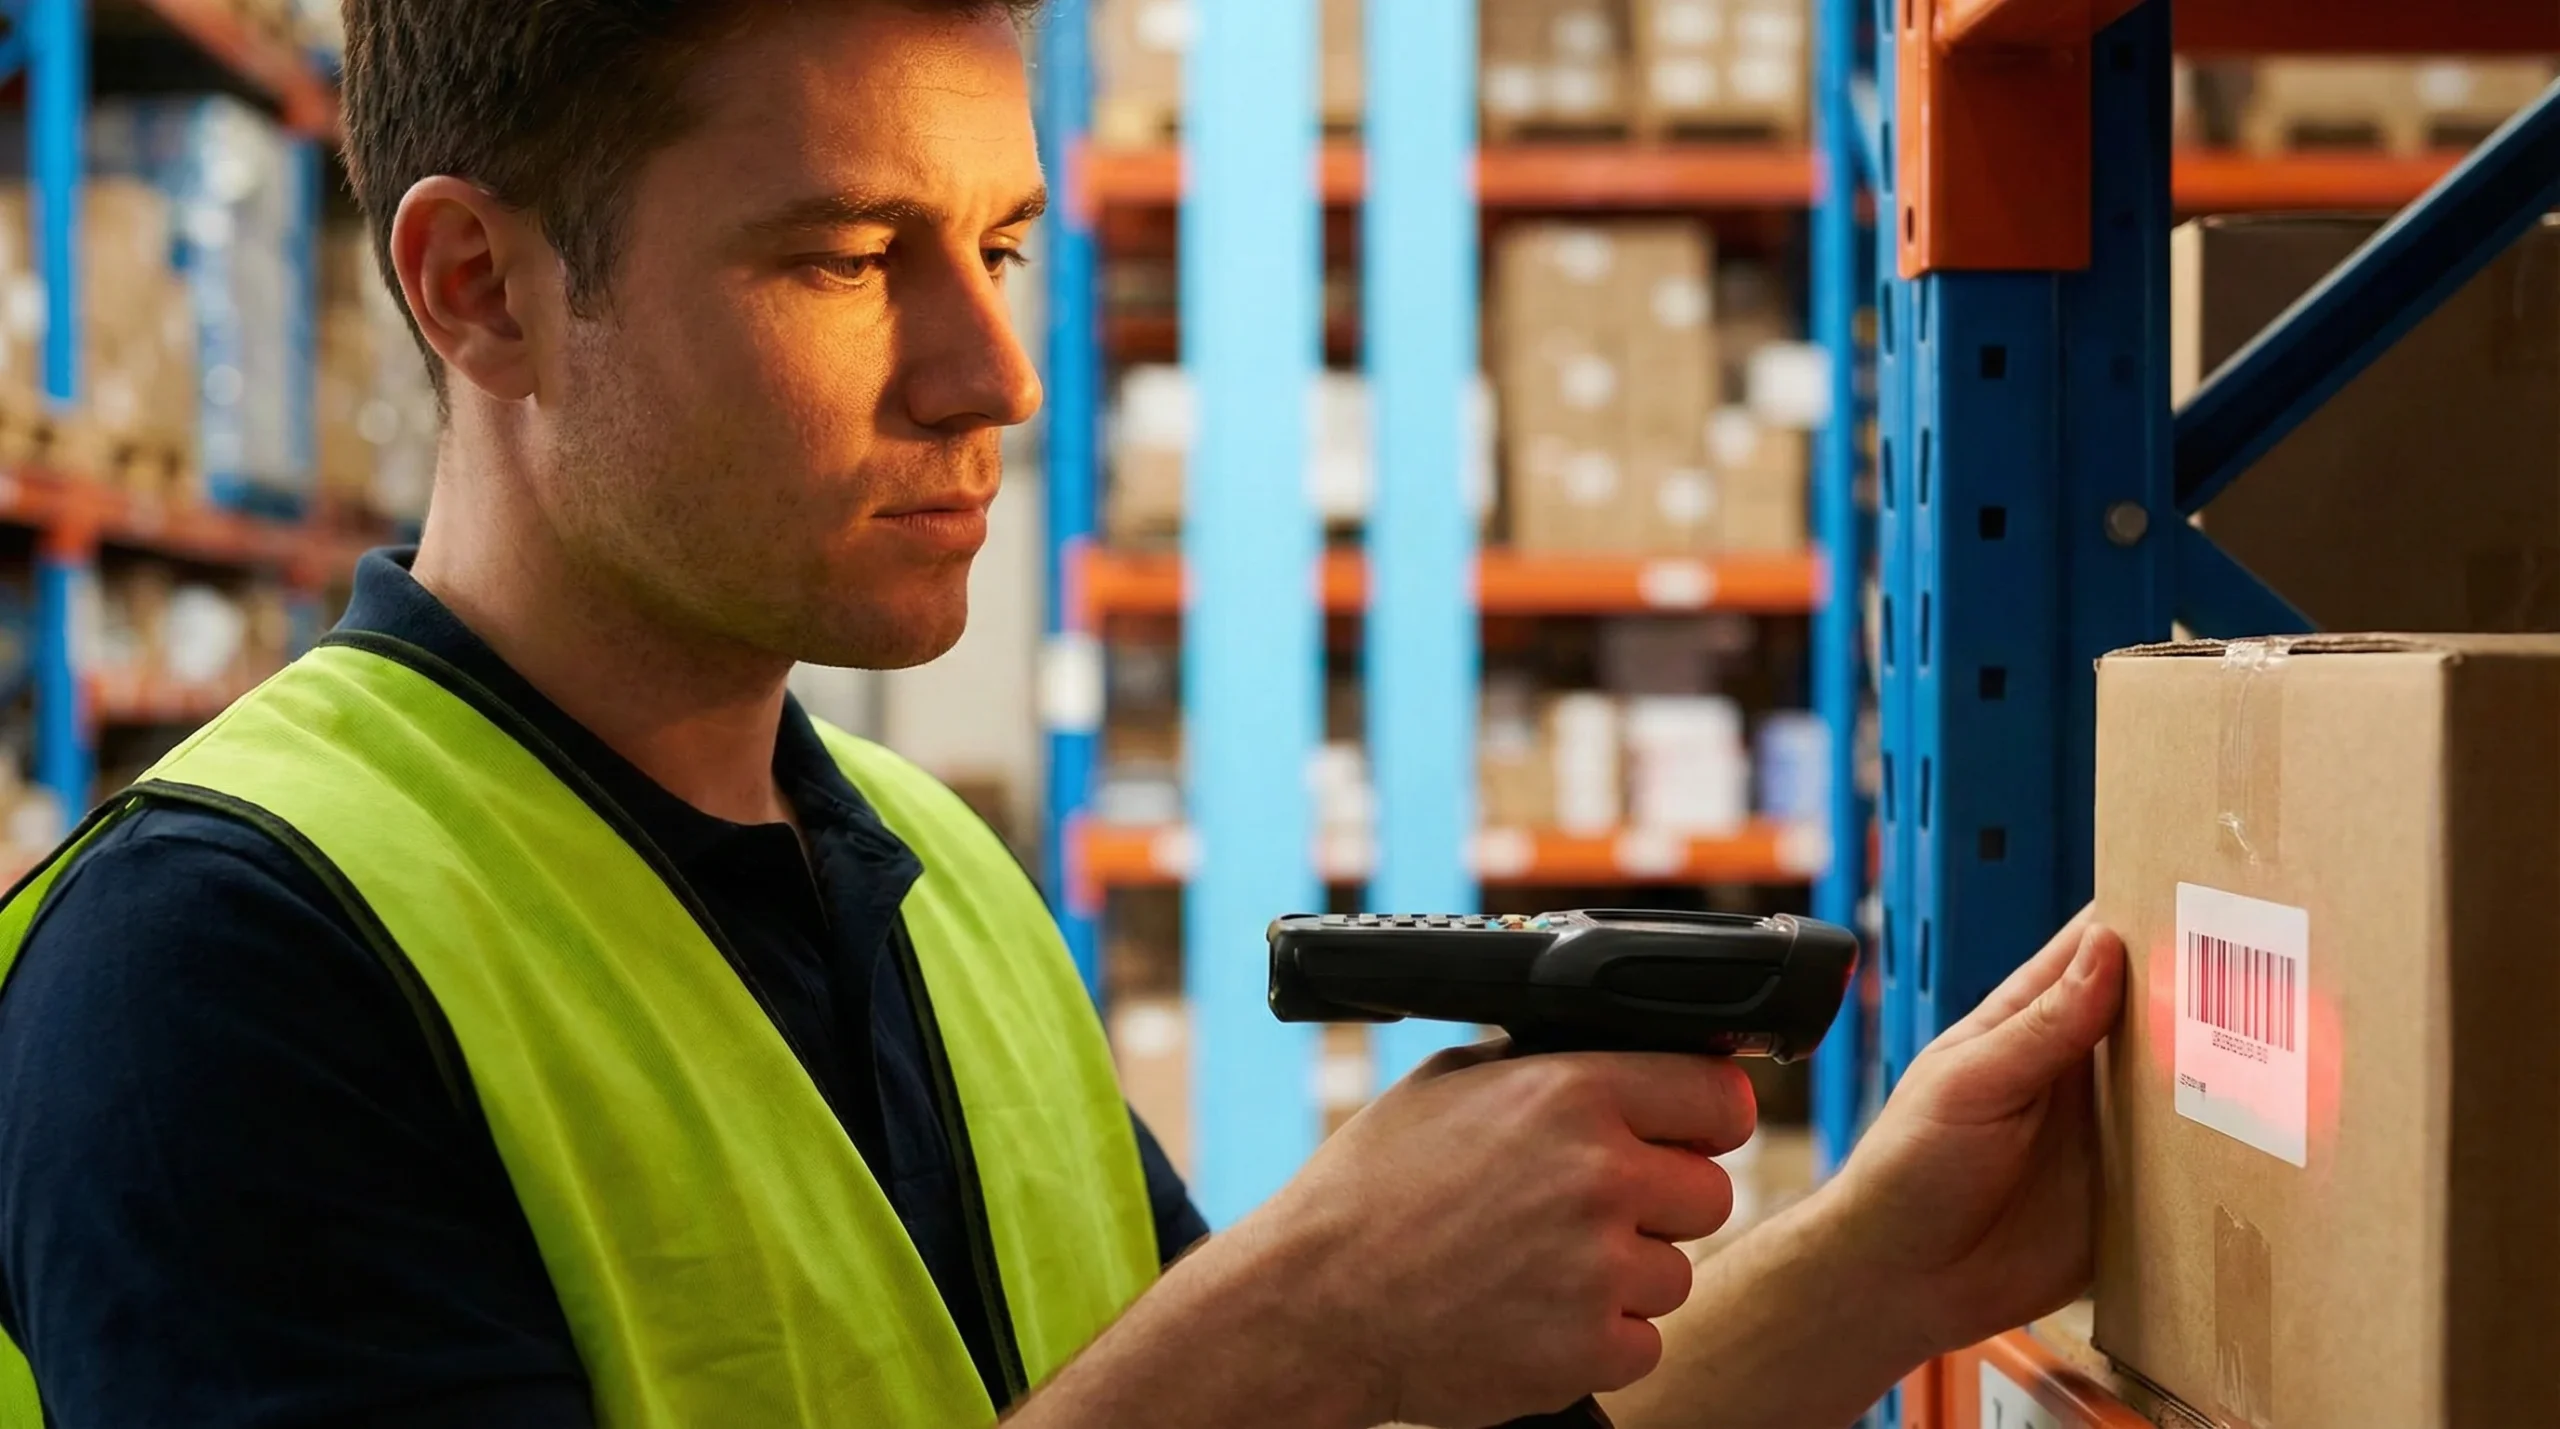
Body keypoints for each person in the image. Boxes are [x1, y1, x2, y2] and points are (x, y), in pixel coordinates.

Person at [0, 2, 2130, 1425]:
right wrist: (1288, 1322)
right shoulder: (209, 970)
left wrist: (1872, 1267)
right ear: (476, 287)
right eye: (844, 257)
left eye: (1000, 247)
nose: (989, 375)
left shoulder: (936, 885)